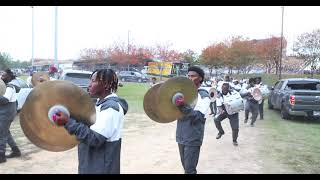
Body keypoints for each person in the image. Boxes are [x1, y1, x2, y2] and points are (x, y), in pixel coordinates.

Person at [54, 69, 128, 174]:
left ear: (106, 84)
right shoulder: (99, 104)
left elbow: (94, 139)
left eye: (93, 81)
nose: (89, 85)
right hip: (91, 165)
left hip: (102, 169)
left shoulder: (111, 108)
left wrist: (68, 122)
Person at [173, 66, 211, 174]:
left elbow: (197, 116)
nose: (189, 78)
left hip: (193, 136)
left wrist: (182, 105)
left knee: (190, 170)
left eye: (193, 76)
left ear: (200, 78)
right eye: (188, 76)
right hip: (181, 135)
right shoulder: (183, 93)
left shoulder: (203, 96)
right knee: (185, 167)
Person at [0, 69, 21, 163]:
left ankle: (1, 156)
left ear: (8, 76)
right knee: (5, 132)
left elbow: (5, 100)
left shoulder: (10, 87)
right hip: (7, 112)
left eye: (3, 75)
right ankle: (16, 150)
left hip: (7, 112)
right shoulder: (6, 86)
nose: (1, 77)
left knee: (1, 133)